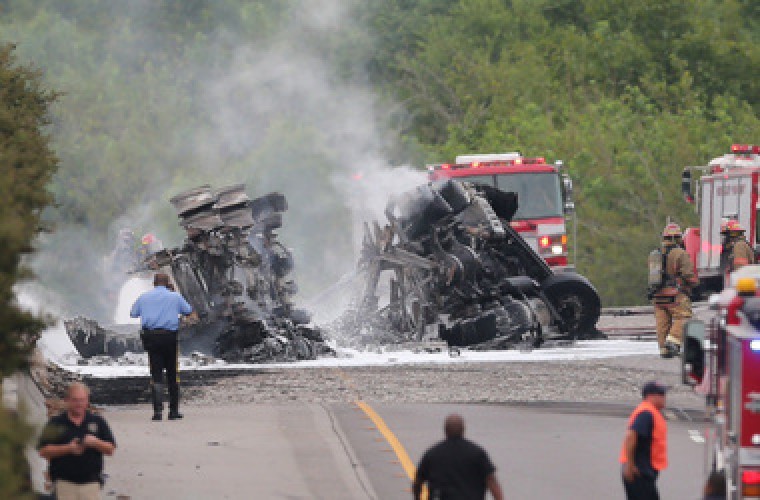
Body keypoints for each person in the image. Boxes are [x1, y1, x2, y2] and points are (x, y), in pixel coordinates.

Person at [130, 272, 195, 421]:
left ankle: (157, 412)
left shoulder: (144, 297)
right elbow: (188, 311)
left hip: (151, 338)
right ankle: (173, 411)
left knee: (156, 374)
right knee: (173, 374)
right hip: (169, 337)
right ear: (167, 283)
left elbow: (133, 313)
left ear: (154, 283)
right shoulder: (175, 297)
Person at [38, 382, 116, 500]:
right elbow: (43, 451)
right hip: (64, 485)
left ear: (87, 401)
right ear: (67, 400)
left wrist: (96, 443)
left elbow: (110, 449)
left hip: (91, 484)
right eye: (75, 400)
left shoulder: (97, 421)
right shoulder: (56, 423)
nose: (79, 404)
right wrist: (68, 448)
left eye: (82, 400)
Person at [413, 414, 504, 500]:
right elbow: (491, 480)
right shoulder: (477, 453)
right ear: (463, 429)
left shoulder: (432, 453)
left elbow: (418, 481)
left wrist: (417, 497)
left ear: (445, 430)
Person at [651, 223, 698, 358]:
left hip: (657, 295)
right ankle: (673, 341)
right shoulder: (680, 253)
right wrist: (695, 284)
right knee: (684, 316)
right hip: (675, 294)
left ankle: (663, 349)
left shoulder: (655, 254)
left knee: (662, 322)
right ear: (678, 238)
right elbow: (688, 274)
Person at [620, 381, 668, 500]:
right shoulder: (646, 413)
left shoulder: (651, 412)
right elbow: (631, 435)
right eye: (661, 394)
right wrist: (630, 465)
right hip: (638, 471)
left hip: (643, 470)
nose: (664, 398)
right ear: (650, 396)